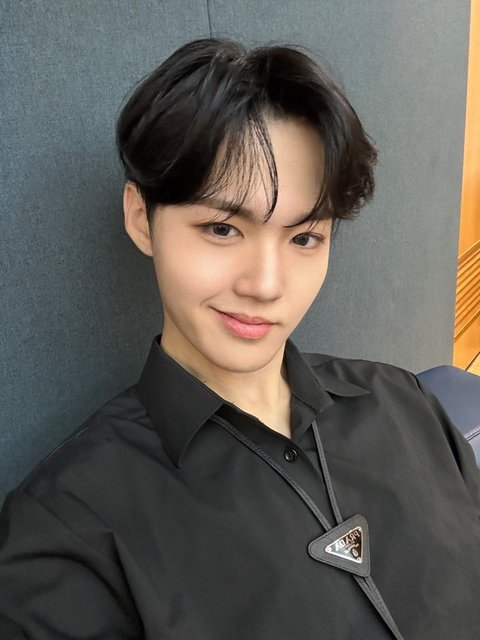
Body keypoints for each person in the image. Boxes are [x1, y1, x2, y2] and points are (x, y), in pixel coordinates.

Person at [0, 36, 479, 640]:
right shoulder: (68, 529)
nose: (266, 285)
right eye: (223, 229)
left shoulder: (405, 401)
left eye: (304, 238)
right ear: (141, 218)